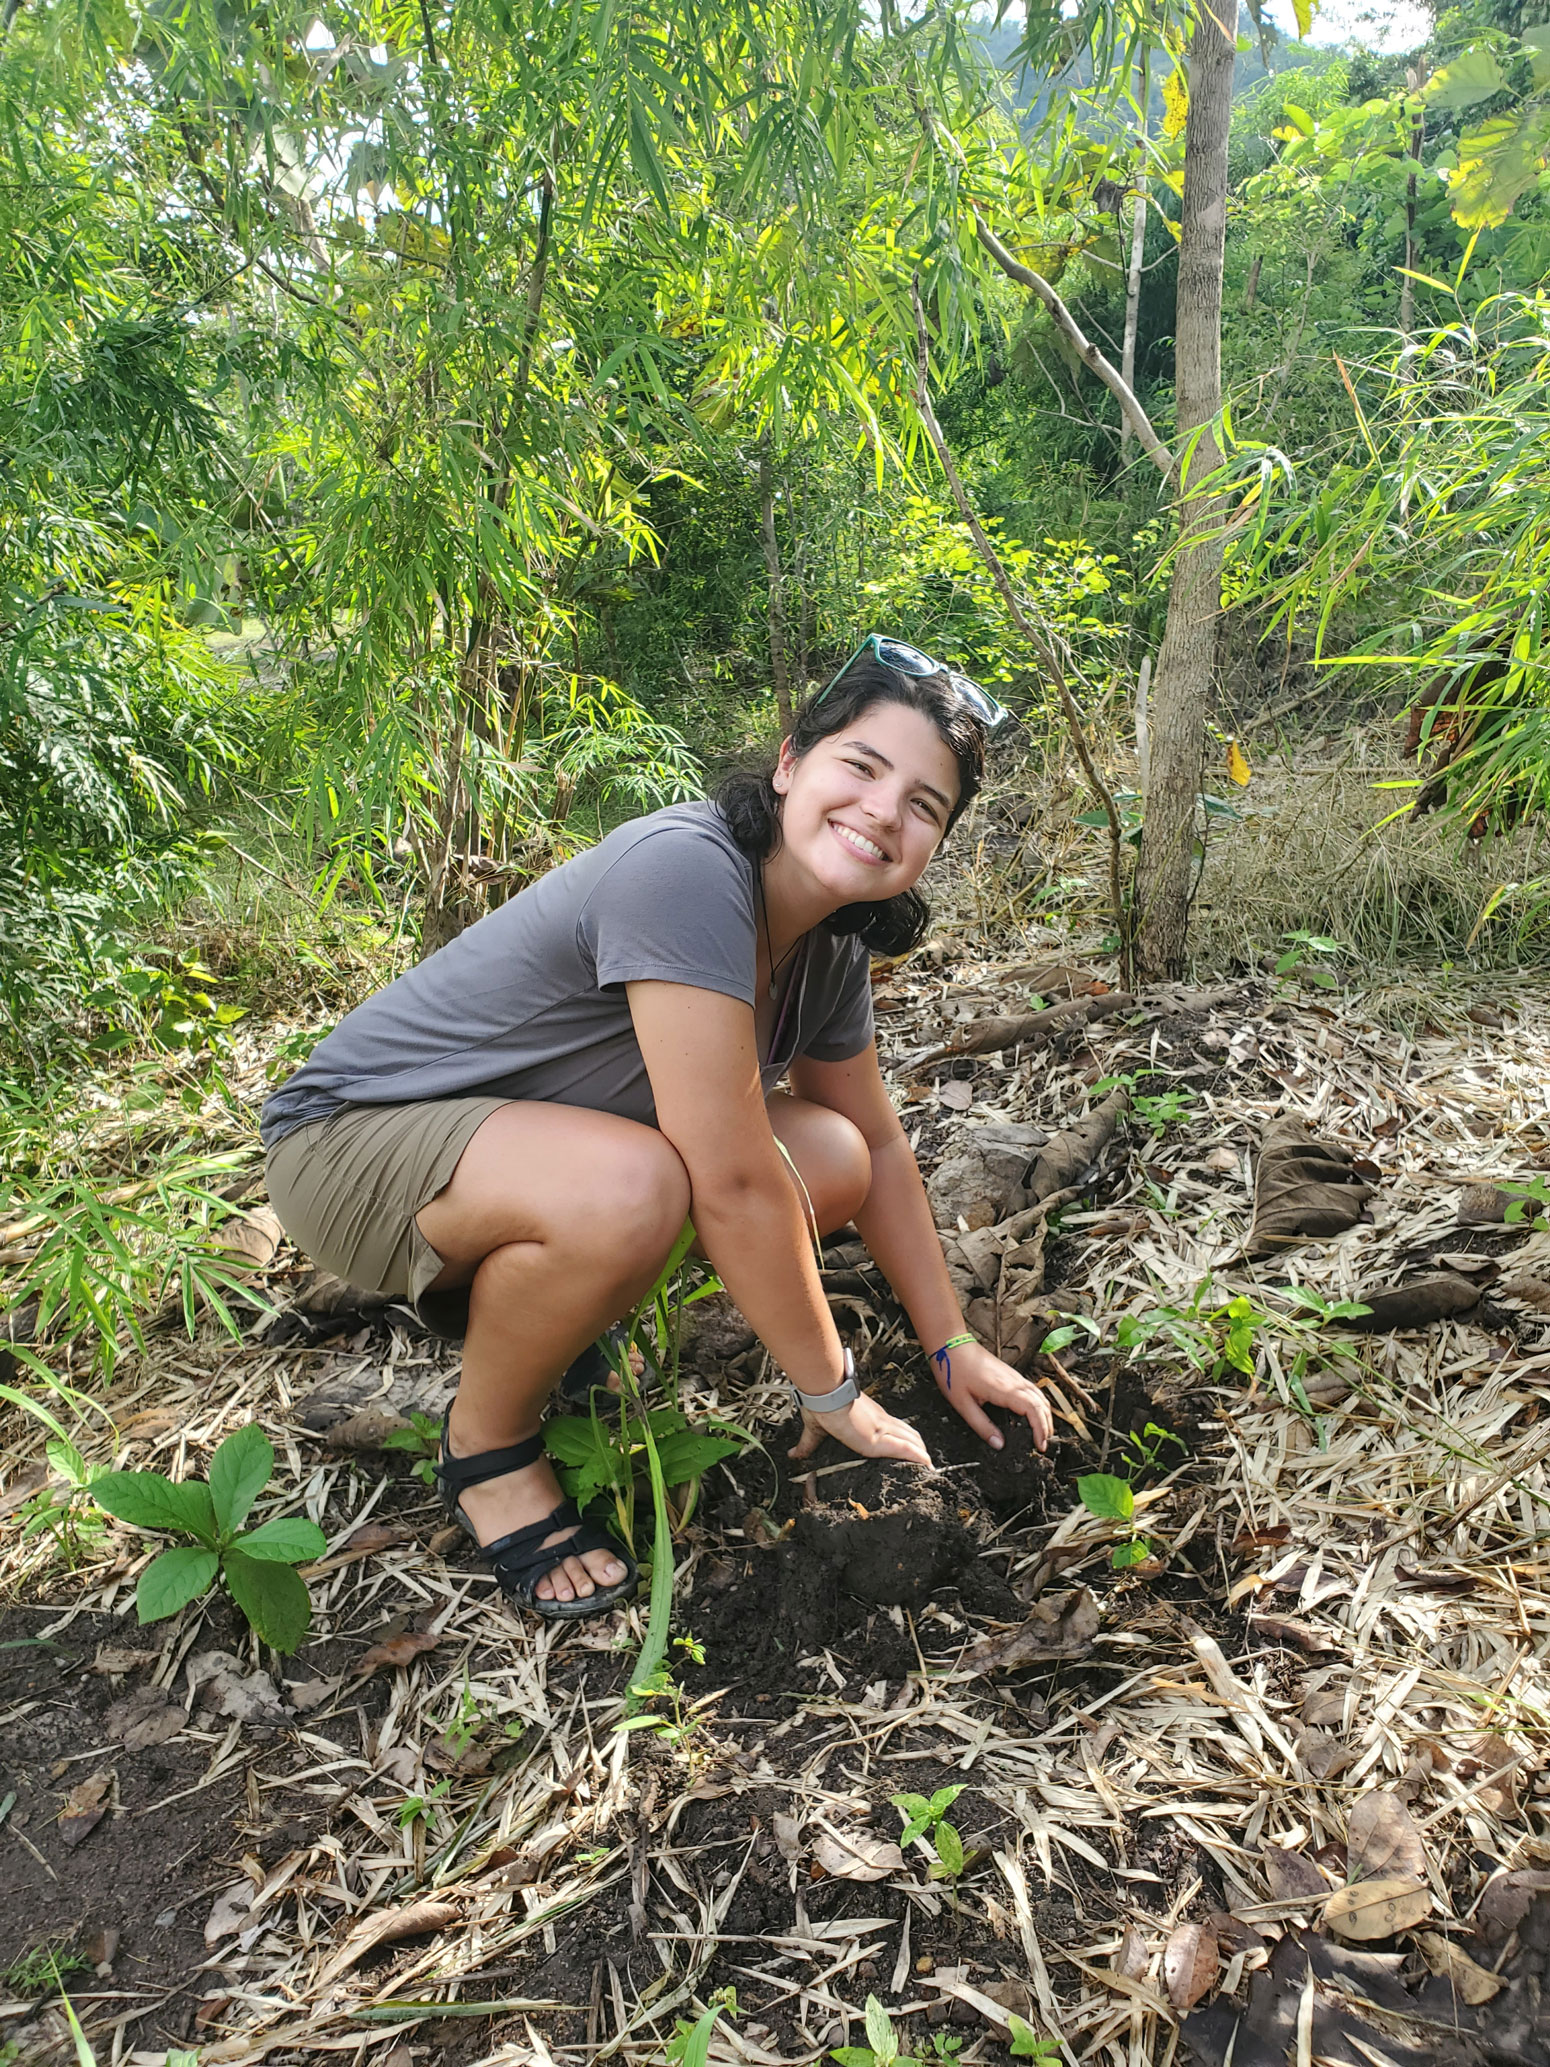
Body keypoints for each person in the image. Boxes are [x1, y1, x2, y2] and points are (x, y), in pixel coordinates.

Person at [261, 635, 1053, 1623]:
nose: (882, 811)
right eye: (861, 765)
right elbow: (725, 1180)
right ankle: (488, 1446)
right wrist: (829, 1392)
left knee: (830, 1159)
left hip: (527, 1146)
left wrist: (949, 1345)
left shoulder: (828, 944)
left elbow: (877, 1149)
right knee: (637, 1190)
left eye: (924, 804)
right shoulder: (687, 870)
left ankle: (561, 1311)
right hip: (348, 1144)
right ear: (789, 762)